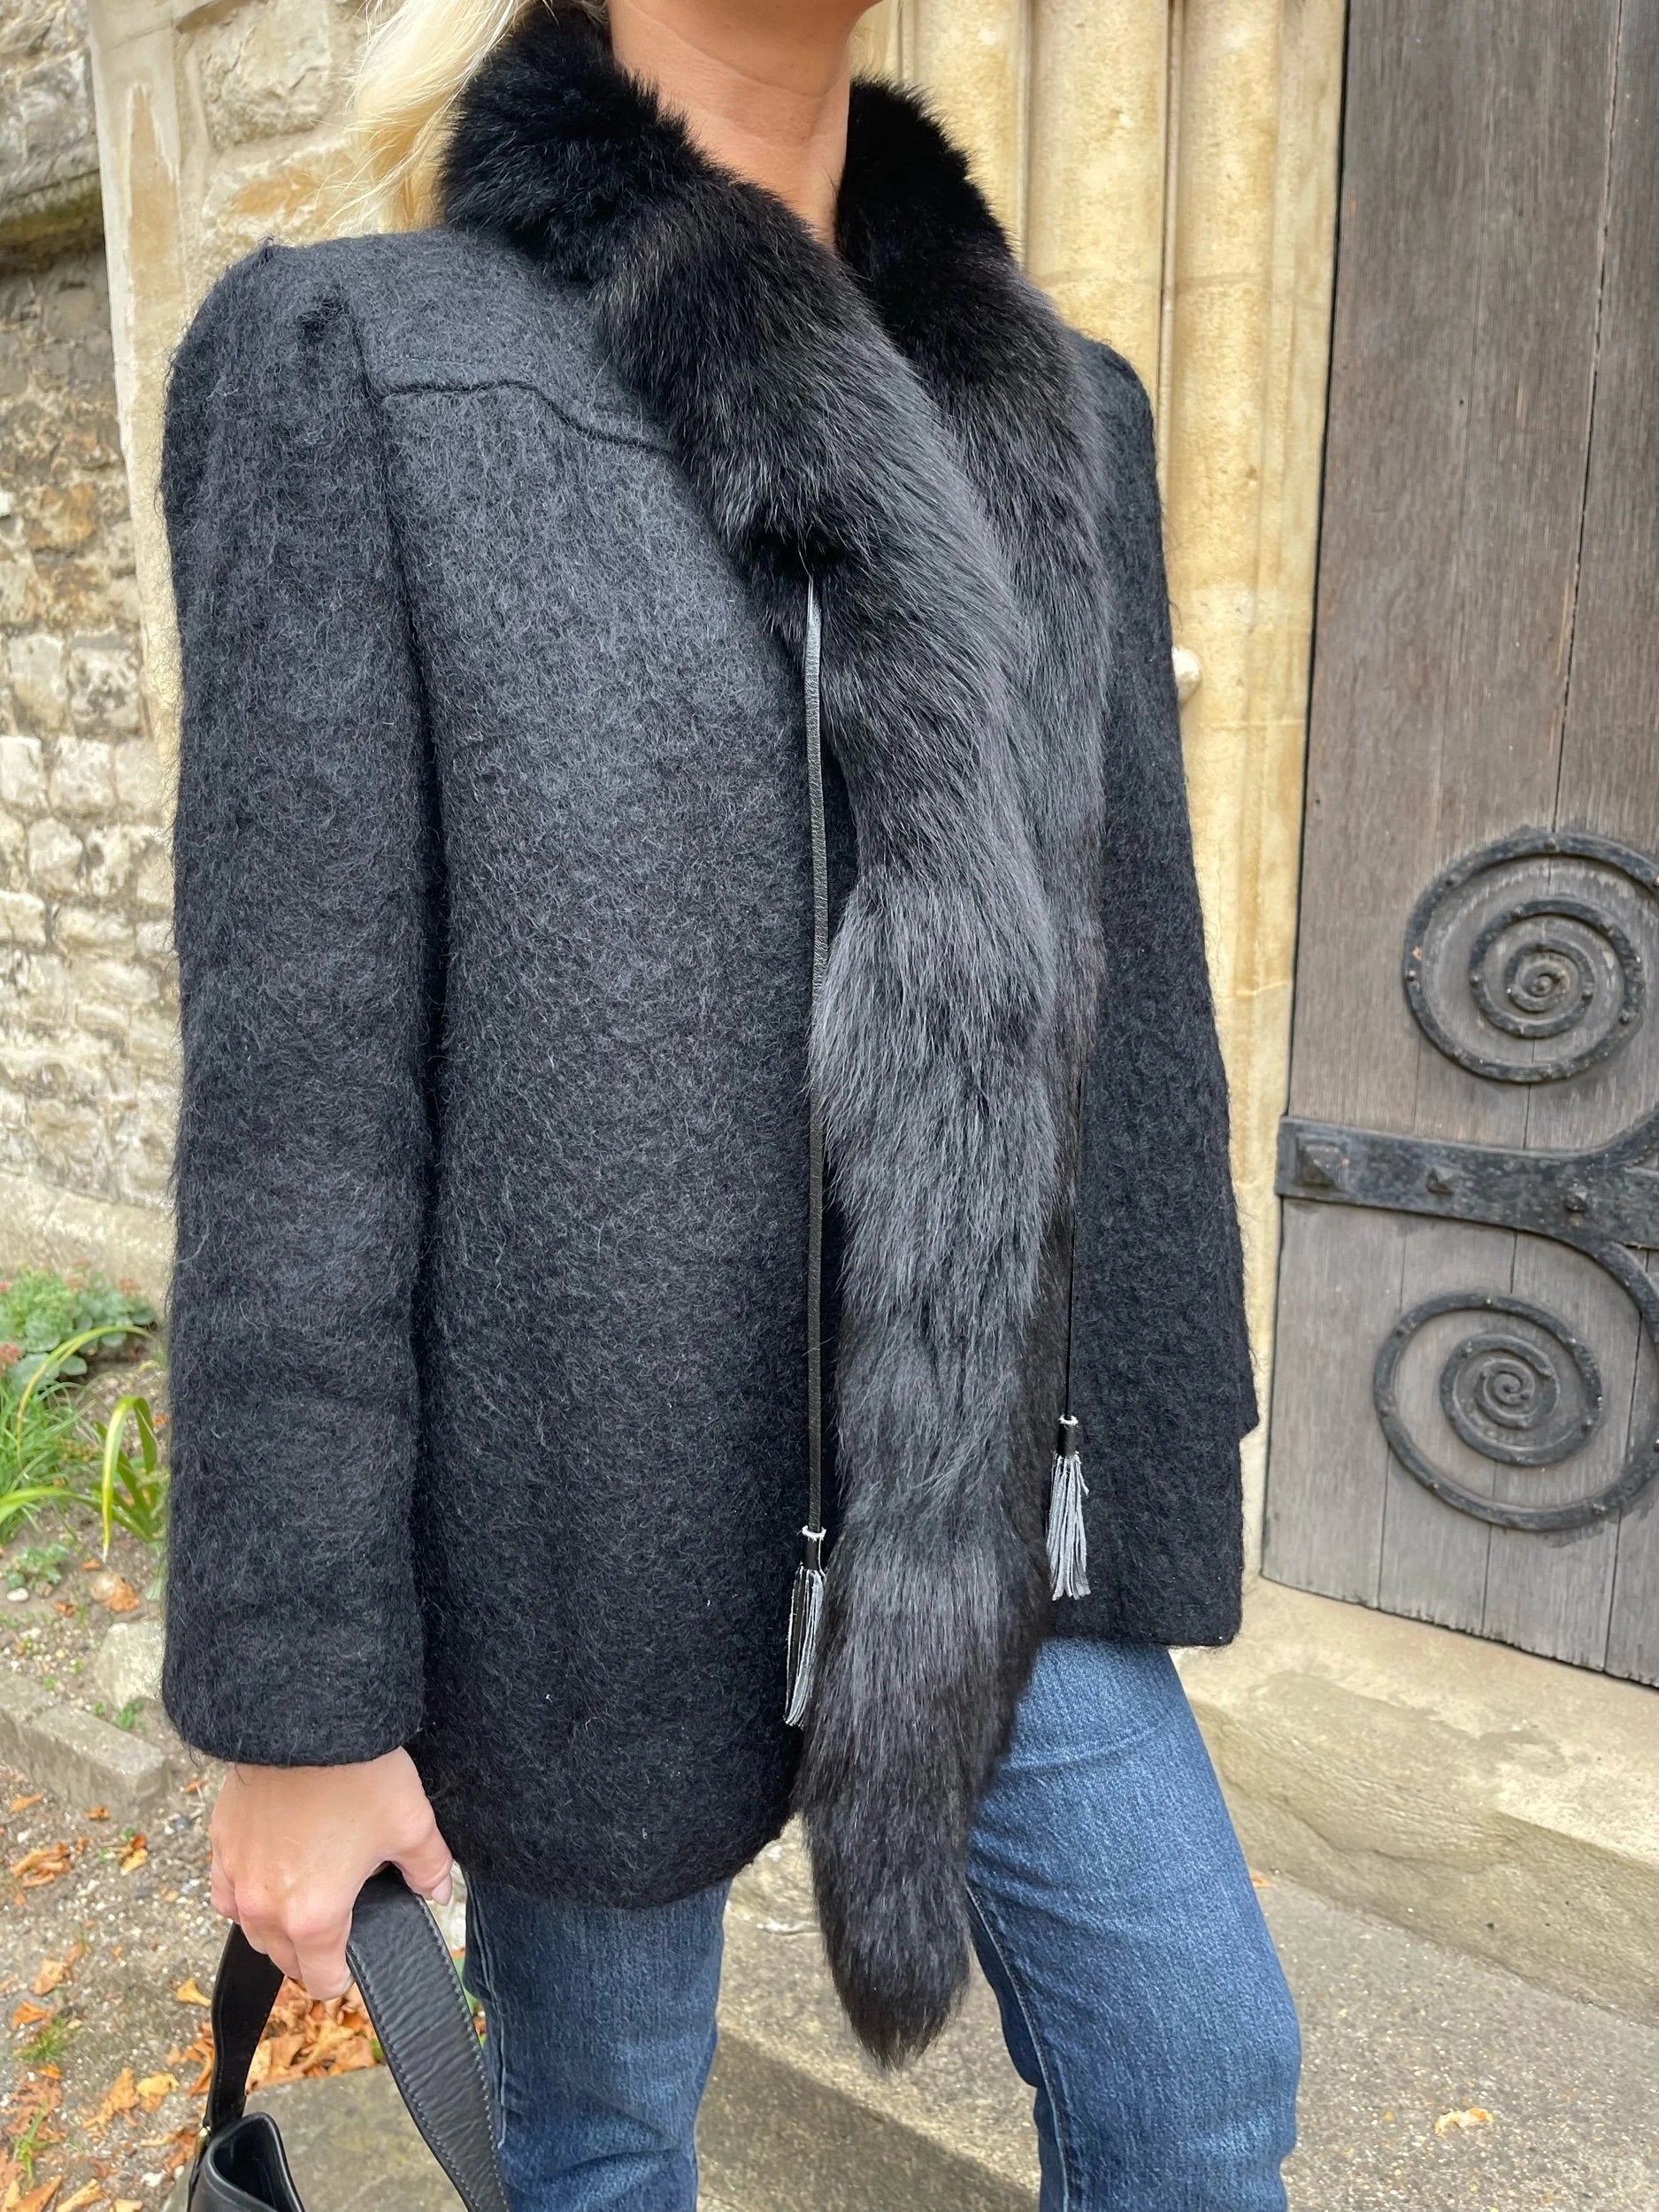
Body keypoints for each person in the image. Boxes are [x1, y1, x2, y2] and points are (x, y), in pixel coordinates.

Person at [157, 1, 1301, 2205]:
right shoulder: (365, 363)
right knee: (599, 2132)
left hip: (976, 1487)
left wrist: (1146, 1456)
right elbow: (299, 1093)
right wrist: (298, 1695)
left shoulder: (1062, 409)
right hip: (579, 1513)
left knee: (1196, 2065)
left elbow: (1128, 1008)